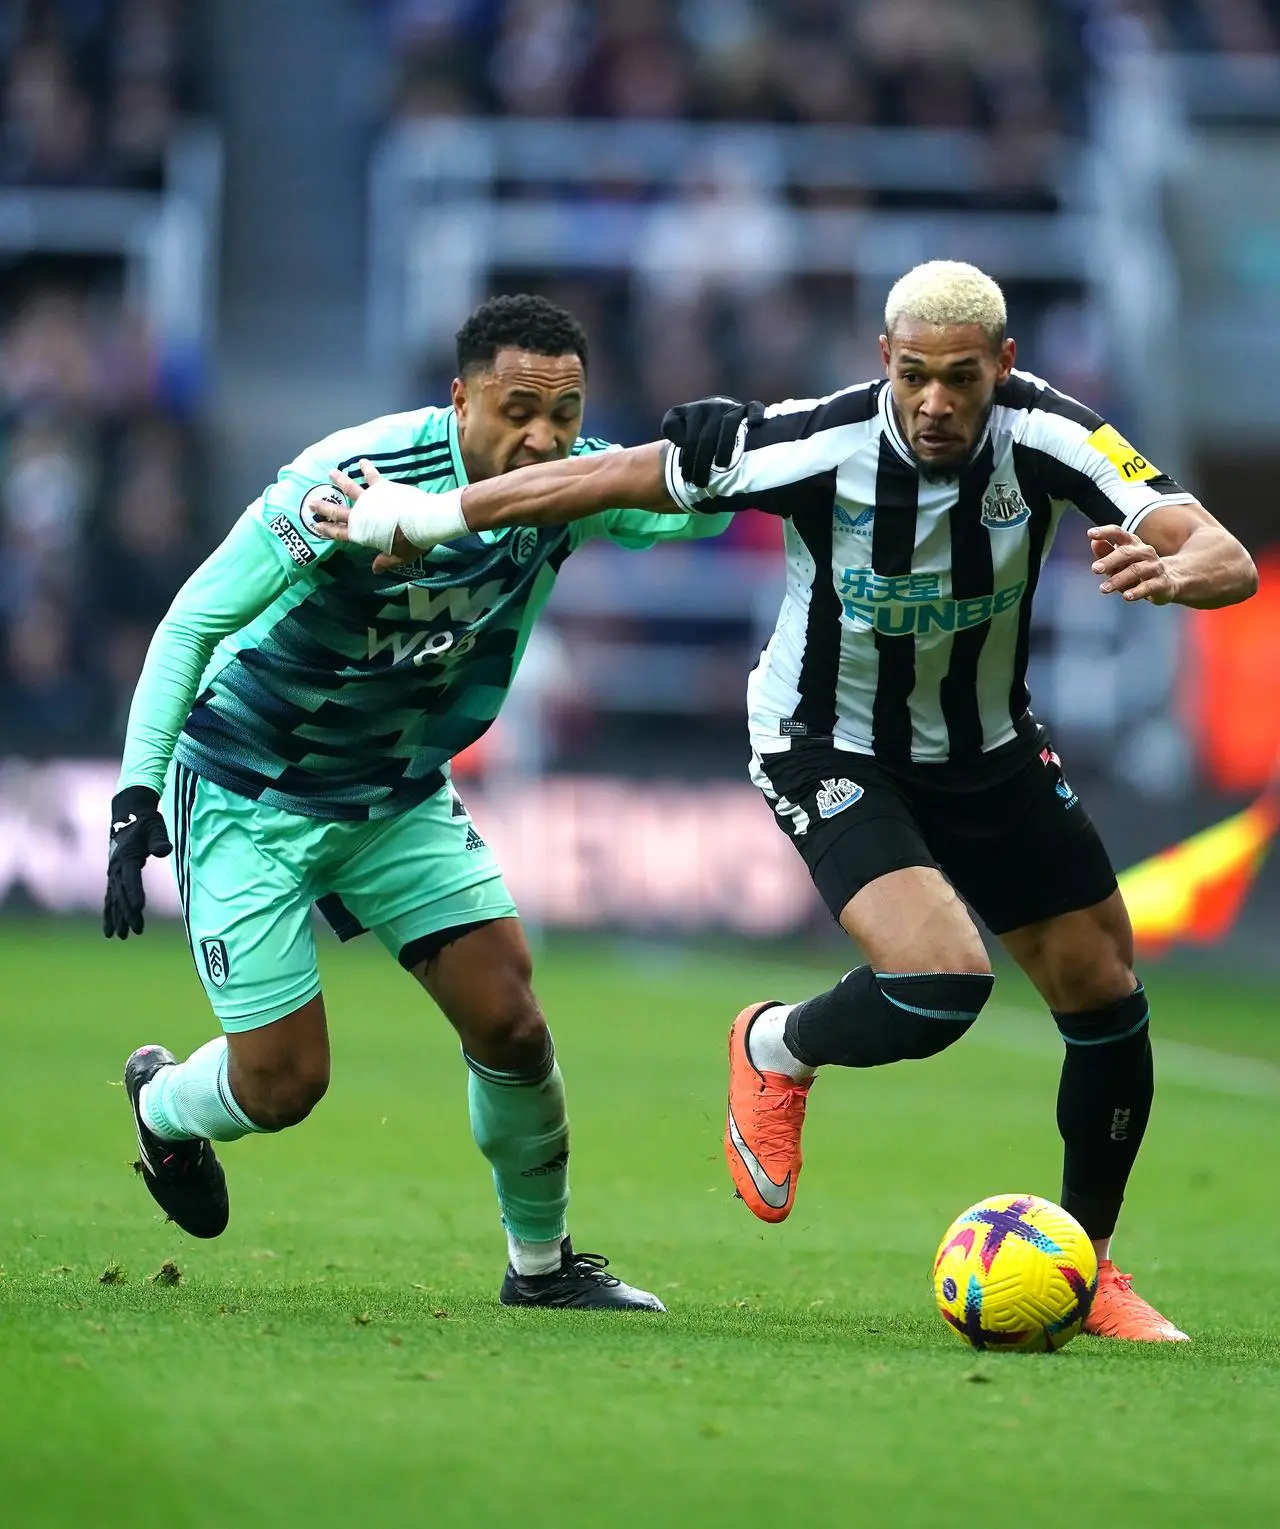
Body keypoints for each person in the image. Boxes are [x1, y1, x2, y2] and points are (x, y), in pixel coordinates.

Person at [314, 261, 1258, 1342]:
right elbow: (608, 475)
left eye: (960, 378)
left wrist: (1189, 574)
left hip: (985, 746)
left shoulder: (1050, 433)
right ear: (882, 362)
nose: (936, 403)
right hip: (824, 739)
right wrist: (434, 514)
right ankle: (774, 1043)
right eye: (914, 376)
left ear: (1002, 366)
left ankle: (1082, 1270)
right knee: (941, 982)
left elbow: (1217, 548)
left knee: (1102, 986)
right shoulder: (813, 439)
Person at [104, 293, 731, 1310]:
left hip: (392, 792)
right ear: (459, 399)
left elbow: (693, 505)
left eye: (564, 414)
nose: (542, 436)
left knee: (511, 1022)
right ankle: (164, 1104)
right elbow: (190, 623)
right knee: (282, 1083)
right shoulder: (348, 481)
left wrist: (711, 454)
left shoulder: (567, 482)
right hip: (251, 789)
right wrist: (137, 792)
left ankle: (541, 1265)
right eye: (517, 407)